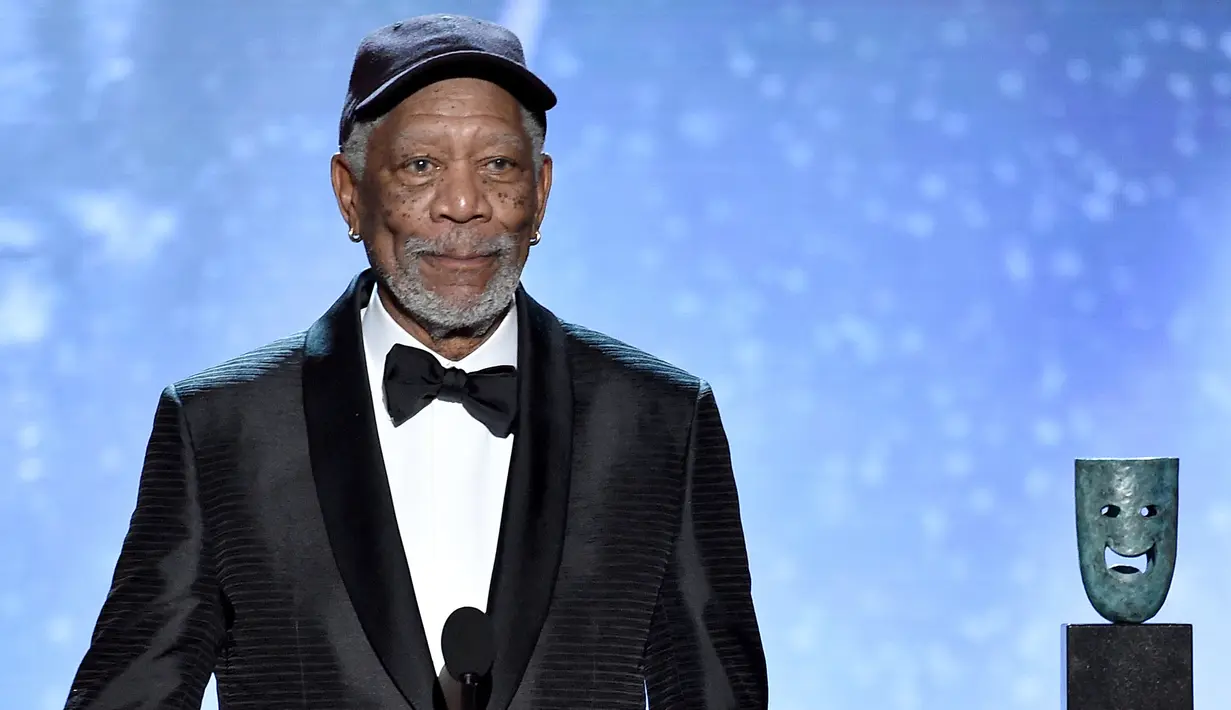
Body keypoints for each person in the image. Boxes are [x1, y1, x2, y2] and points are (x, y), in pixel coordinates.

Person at [63, 13, 767, 710]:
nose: (463, 205)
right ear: (349, 195)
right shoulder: (222, 428)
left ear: (541, 193)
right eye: (421, 166)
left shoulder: (660, 421)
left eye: (497, 165)